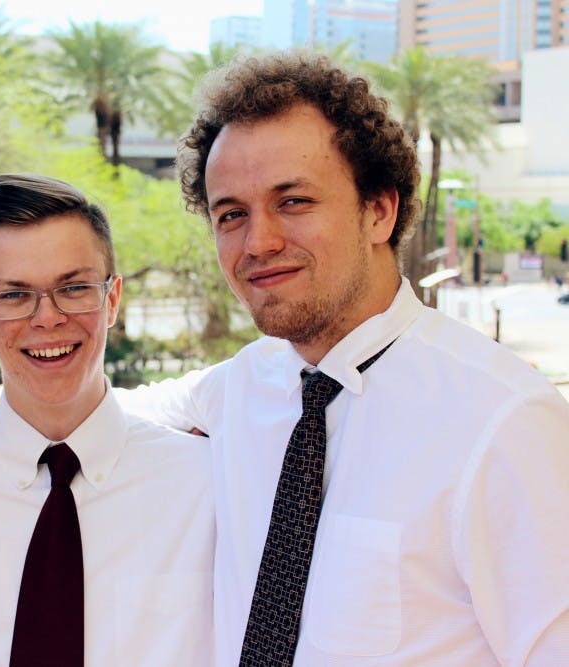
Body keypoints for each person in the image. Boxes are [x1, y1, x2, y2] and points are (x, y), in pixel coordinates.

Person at [120, 51, 569, 664]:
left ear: (379, 210)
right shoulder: (240, 385)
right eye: (231, 214)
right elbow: (93, 415)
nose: (258, 242)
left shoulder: (504, 421)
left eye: (294, 201)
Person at [0, 174, 214, 666]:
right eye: (13, 295)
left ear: (112, 299)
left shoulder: (205, 480)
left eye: (73, 288)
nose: (47, 317)